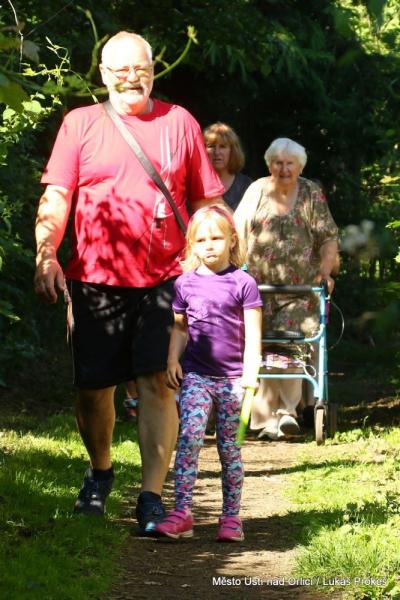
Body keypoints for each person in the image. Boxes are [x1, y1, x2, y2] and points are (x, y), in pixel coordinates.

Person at [34, 31, 224, 533]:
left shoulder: (179, 122)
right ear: (103, 74)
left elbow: (207, 201)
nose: (131, 78)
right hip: (95, 277)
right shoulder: (80, 124)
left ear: (153, 71)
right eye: (120, 70)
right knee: (94, 389)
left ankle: (151, 498)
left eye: (140, 68)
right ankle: (100, 472)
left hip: (169, 276)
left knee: (159, 381)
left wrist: (213, 258)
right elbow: (57, 196)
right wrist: (46, 253)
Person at [154, 205, 262, 541]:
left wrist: (251, 373)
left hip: (233, 379)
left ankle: (231, 518)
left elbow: (254, 333)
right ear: (191, 245)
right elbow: (180, 328)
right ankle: (182, 512)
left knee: (229, 448)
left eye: (216, 237)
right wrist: (173, 360)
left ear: (232, 240)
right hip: (196, 376)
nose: (209, 245)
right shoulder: (184, 284)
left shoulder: (244, 283)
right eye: (201, 240)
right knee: (188, 438)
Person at [234, 138, 339, 440]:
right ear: (270, 165)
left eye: (289, 163)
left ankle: (287, 412)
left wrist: (324, 272)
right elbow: (237, 231)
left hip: (301, 289)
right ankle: (265, 418)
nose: (283, 168)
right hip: (258, 288)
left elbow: (328, 237)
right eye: (278, 163)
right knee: (263, 348)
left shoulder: (310, 193)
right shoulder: (256, 190)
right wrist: (233, 274)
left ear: (299, 166)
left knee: (291, 345)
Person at [203, 122, 252, 211]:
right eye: (211, 146)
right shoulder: (196, 183)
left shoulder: (246, 185)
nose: (217, 152)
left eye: (222, 146)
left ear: (233, 151)